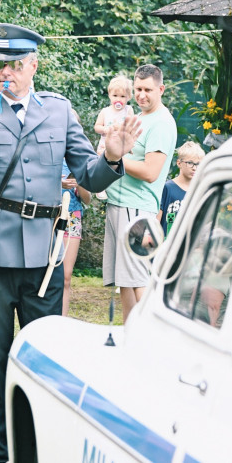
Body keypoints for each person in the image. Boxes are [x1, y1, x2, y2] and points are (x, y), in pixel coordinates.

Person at [0, 23, 140, 463]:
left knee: (45, 366)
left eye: (14, 65)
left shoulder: (58, 111)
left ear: (33, 67)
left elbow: (87, 174)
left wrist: (113, 157)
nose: (4, 73)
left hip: (44, 262)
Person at [103, 64, 177, 323]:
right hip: (118, 205)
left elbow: (150, 172)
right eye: (137, 89)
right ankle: (129, 335)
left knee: (139, 279)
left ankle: (152, 334)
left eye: (147, 89)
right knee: (125, 280)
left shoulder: (162, 123)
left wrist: (114, 159)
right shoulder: (139, 118)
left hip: (137, 210)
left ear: (161, 89)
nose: (141, 95)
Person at [60, 157, 92, 316]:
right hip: (46, 215)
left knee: (66, 276)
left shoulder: (77, 161)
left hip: (72, 217)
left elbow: (88, 199)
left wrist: (79, 182)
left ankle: (61, 321)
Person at [158, 141, 204, 237]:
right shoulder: (167, 188)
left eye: (198, 164)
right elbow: (156, 223)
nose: (194, 168)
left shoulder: (200, 191)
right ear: (179, 163)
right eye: (190, 163)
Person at [94, 74, 134, 154]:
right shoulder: (105, 111)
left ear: (129, 97)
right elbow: (97, 127)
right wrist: (105, 129)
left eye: (122, 96)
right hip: (105, 146)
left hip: (121, 146)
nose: (118, 99)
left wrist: (121, 128)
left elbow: (131, 127)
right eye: (115, 95)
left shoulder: (128, 110)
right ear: (109, 95)